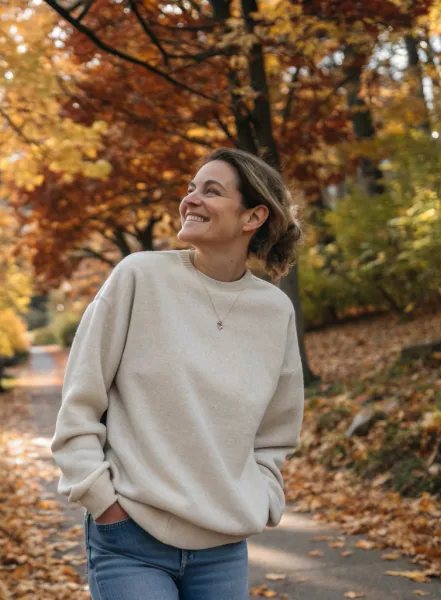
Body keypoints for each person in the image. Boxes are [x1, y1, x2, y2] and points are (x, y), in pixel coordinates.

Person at [50, 148, 305, 600]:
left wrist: (261, 497)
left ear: (254, 216)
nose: (190, 199)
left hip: (223, 544)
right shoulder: (139, 277)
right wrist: (102, 502)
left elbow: (275, 431)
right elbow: (80, 401)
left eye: (211, 191)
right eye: (190, 188)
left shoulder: (274, 311)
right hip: (129, 537)